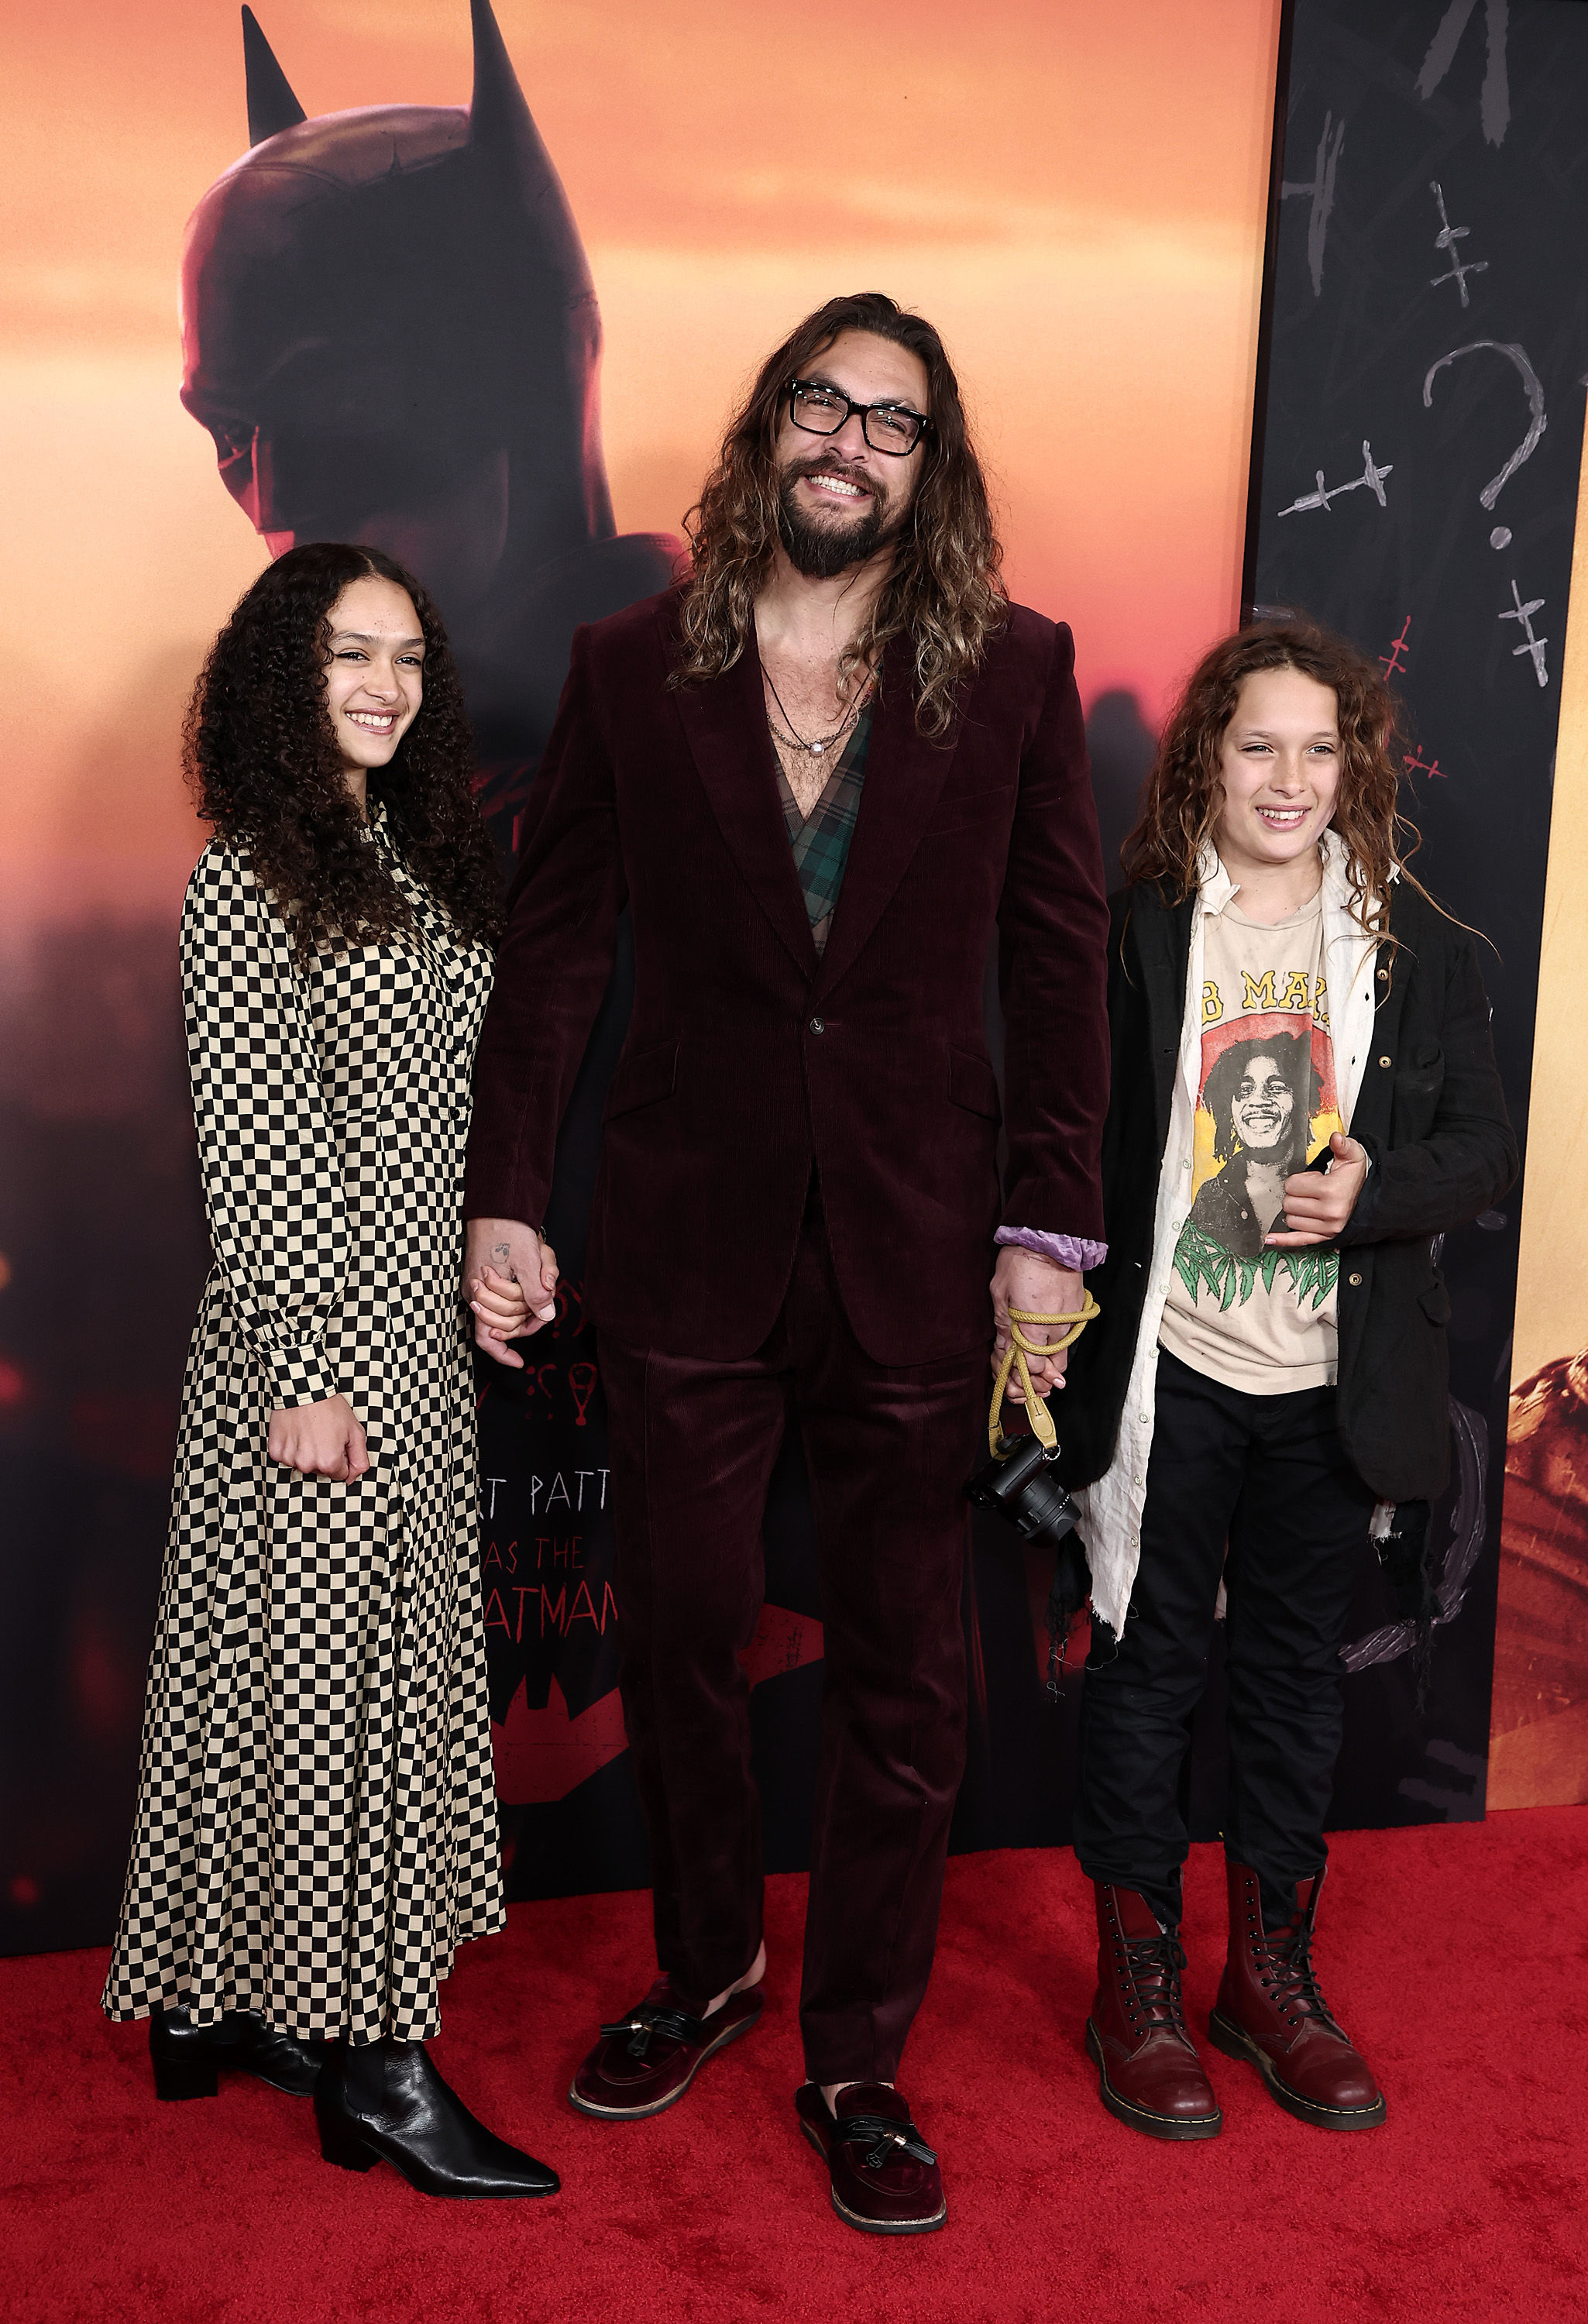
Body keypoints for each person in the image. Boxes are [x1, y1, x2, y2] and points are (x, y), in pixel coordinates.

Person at [463, 291, 1110, 2233]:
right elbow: (558, 944)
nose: (846, 442)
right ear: (766, 435)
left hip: (923, 1248)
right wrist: (506, 1191)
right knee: (677, 1638)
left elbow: (1057, 966)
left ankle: (855, 2053)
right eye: (817, 407)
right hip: (684, 1240)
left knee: (910, 1672)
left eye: (889, 423)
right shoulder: (627, 664)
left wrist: (1045, 1231)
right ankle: (705, 1968)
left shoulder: (1011, 675)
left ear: (931, 469)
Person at [102, 541, 559, 2203]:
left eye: (406, 659)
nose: (383, 685)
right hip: (316, 1348)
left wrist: (485, 1256)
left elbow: (441, 1118)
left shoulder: (416, 863)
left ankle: (213, 2004)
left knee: (268, 1673)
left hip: (416, 1338)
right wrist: (305, 1365)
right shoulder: (252, 878)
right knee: (334, 1698)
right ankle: (376, 2066)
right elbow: (265, 1142)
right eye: (346, 655)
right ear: (281, 680)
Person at [1058, 620, 1517, 2141]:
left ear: (1355, 767)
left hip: (1328, 1385)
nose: (1287, 776)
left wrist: (1366, 1192)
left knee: (1286, 1686)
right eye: (1256, 743)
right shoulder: (1136, 931)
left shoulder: (1418, 947)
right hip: (1166, 1373)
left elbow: (1475, 1157)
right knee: (1144, 1674)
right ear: (1207, 755)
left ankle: (1267, 1982)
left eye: (1320, 748)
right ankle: (1135, 1985)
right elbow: (1066, 1134)